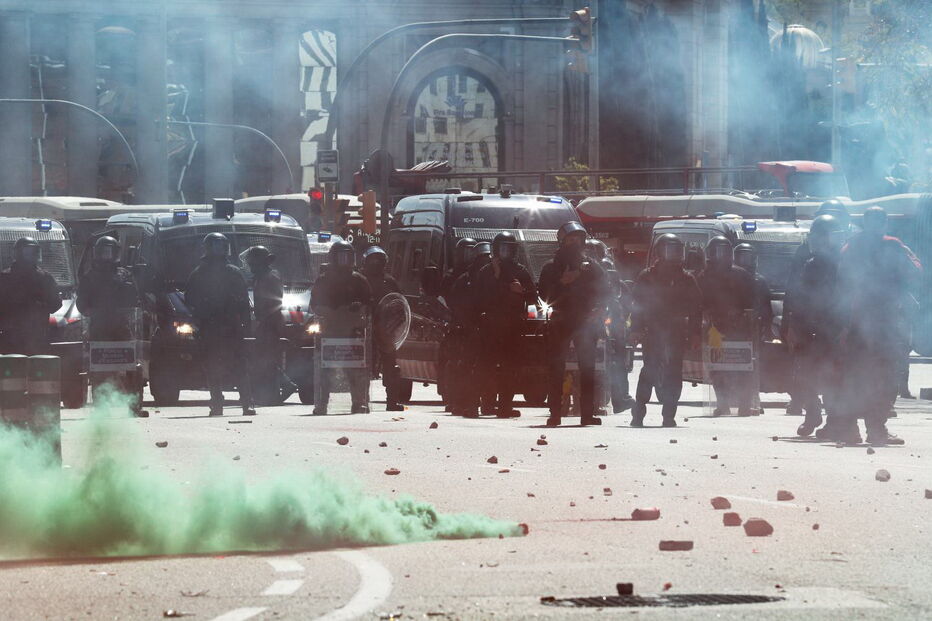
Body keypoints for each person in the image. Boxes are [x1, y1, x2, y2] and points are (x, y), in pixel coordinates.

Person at [837, 206, 920, 445]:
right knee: (883, 377)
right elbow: (917, 270)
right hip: (884, 323)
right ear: (884, 223)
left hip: (855, 322)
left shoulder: (850, 246)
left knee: (854, 375)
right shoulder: (893, 244)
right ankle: (876, 429)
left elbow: (839, 282)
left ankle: (850, 430)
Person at [783, 199, 850, 416]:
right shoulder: (807, 258)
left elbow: (852, 297)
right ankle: (812, 412)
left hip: (834, 327)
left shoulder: (847, 260)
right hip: (810, 326)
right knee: (804, 371)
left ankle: (835, 420)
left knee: (835, 374)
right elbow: (794, 293)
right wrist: (791, 324)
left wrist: (848, 327)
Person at [538, 221, 609, 427]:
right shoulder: (551, 267)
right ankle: (555, 414)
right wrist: (562, 283)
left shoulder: (592, 267)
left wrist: (599, 307)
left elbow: (606, 289)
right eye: (570, 240)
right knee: (556, 369)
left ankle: (587, 414)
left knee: (587, 369)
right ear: (562, 241)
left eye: (578, 240)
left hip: (585, 323)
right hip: (561, 321)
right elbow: (543, 294)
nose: (574, 244)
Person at [629, 233, 702, 427]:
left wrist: (695, 333)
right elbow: (637, 304)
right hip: (653, 330)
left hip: (677, 331)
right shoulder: (647, 276)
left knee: (674, 372)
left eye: (677, 250)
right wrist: (635, 329)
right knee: (649, 369)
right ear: (660, 252)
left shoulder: (687, 278)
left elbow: (696, 308)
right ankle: (638, 414)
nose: (675, 255)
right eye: (670, 250)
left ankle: (669, 415)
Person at [185, 233, 256, 417]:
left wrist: (246, 325)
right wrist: (200, 318)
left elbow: (243, 301)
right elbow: (190, 299)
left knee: (240, 365)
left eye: (221, 246)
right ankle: (217, 403)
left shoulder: (233, 272)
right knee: (212, 367)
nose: (219, 250)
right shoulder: (199, 273)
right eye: (216, 246)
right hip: (210, 327)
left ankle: (247, 403)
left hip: (231, 326)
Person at [77, 236, 146, 415]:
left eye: (109, 251)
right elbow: (81, 305)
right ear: (97, 254)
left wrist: (128, 289)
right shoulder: (89, 277)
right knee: (100, 370)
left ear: (115, 253)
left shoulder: (125, 275)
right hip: (99, 328)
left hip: (121, 326)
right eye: (102, 251)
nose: (106, 255)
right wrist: (92, 311)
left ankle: (134, 404)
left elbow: (135, 300)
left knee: (132, 366)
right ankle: (101, 406)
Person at [474, 232, 537, 418]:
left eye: (508, 248)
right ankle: (487, 403)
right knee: (488, 366)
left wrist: (521, 291)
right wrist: (497, 277)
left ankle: (505, 406)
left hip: (513, 327)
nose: (505, 252)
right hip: (490, 327)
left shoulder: (520, 271)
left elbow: (533, 298)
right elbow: (479, 298)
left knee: (511, 368)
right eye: (502, 248)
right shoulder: (486, 271)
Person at [311, 240, 372, 415]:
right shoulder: (323, 280)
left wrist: (358, 307)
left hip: (352, 332)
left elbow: (369, 305)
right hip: (329, 332)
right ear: (332, 258)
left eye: (347, 257)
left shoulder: (359, 280)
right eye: (340, 257)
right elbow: (314, 304)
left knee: (357, 369)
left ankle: (359, 402)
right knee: (325, 370)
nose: (344, 261)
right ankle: (322, 404)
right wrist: (328, 311)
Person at [697, 236, 756, 416]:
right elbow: (699, 302)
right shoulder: (704, 276)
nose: (720, 256)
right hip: (716, 328)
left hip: (739, 328)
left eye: (724, 251)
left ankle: (745, 404)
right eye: (717, 251)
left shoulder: (742, 275)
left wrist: (742, 316)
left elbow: (752, 302)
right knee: (717, 366)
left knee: (743, 365)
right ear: (710, 254)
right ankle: (723, 403)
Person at [242, 245, 297, 406]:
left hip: (270, 323)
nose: (251, 267)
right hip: (266, 322)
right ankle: (276, 390)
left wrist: (264, 318)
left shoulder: (271, 277)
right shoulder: (262, 277)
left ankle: (282, 387)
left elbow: (274, 303)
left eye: (253, 263)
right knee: (264, 359)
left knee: (267, 359)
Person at [447, 242, 491, 417]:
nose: (485, 262)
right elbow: (455, 303)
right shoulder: (465, 279)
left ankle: (487, 403)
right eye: (482, 258)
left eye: (487, 258)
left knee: (485, 367)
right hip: (467, 330)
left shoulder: (493, 277)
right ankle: (464, 403)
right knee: (466, 367)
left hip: (487, 329)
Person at [0, 237, 61, 356]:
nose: (29, 255)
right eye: (26, 251)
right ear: (18, 253)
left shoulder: (44, 278)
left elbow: (55, 304)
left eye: (32, 252)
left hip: (35, 335)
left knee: (36, 369)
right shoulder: (4, 277)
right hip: (11, 335)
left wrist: (40, 307)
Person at [361, 245, 403, 411]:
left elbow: (399, 301)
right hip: (365, 328)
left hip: (385, 329)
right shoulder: (360, 280)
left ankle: (392, 401)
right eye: (373, 260)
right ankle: (362, 400)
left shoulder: (390, 281)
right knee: (362, 365)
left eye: (379, 261)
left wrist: (396, 320)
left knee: (391, 367)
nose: (376, 264)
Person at [734, 242, 772, 414]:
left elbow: (766, 306)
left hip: (753, 329)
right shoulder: (731, 277)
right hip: (735, 329)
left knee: (753, 366)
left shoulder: (759, 280)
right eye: (742, 257)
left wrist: (766, 325)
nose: (746, 261)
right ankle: (734, 399)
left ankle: (753, 400)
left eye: (748, 257)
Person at [607, 270, 635, 413]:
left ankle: (621, 398)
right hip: (590, 332)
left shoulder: (621, 288)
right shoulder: (588, 281)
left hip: (615, 335)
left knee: (619, 365)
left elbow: (629, 308)